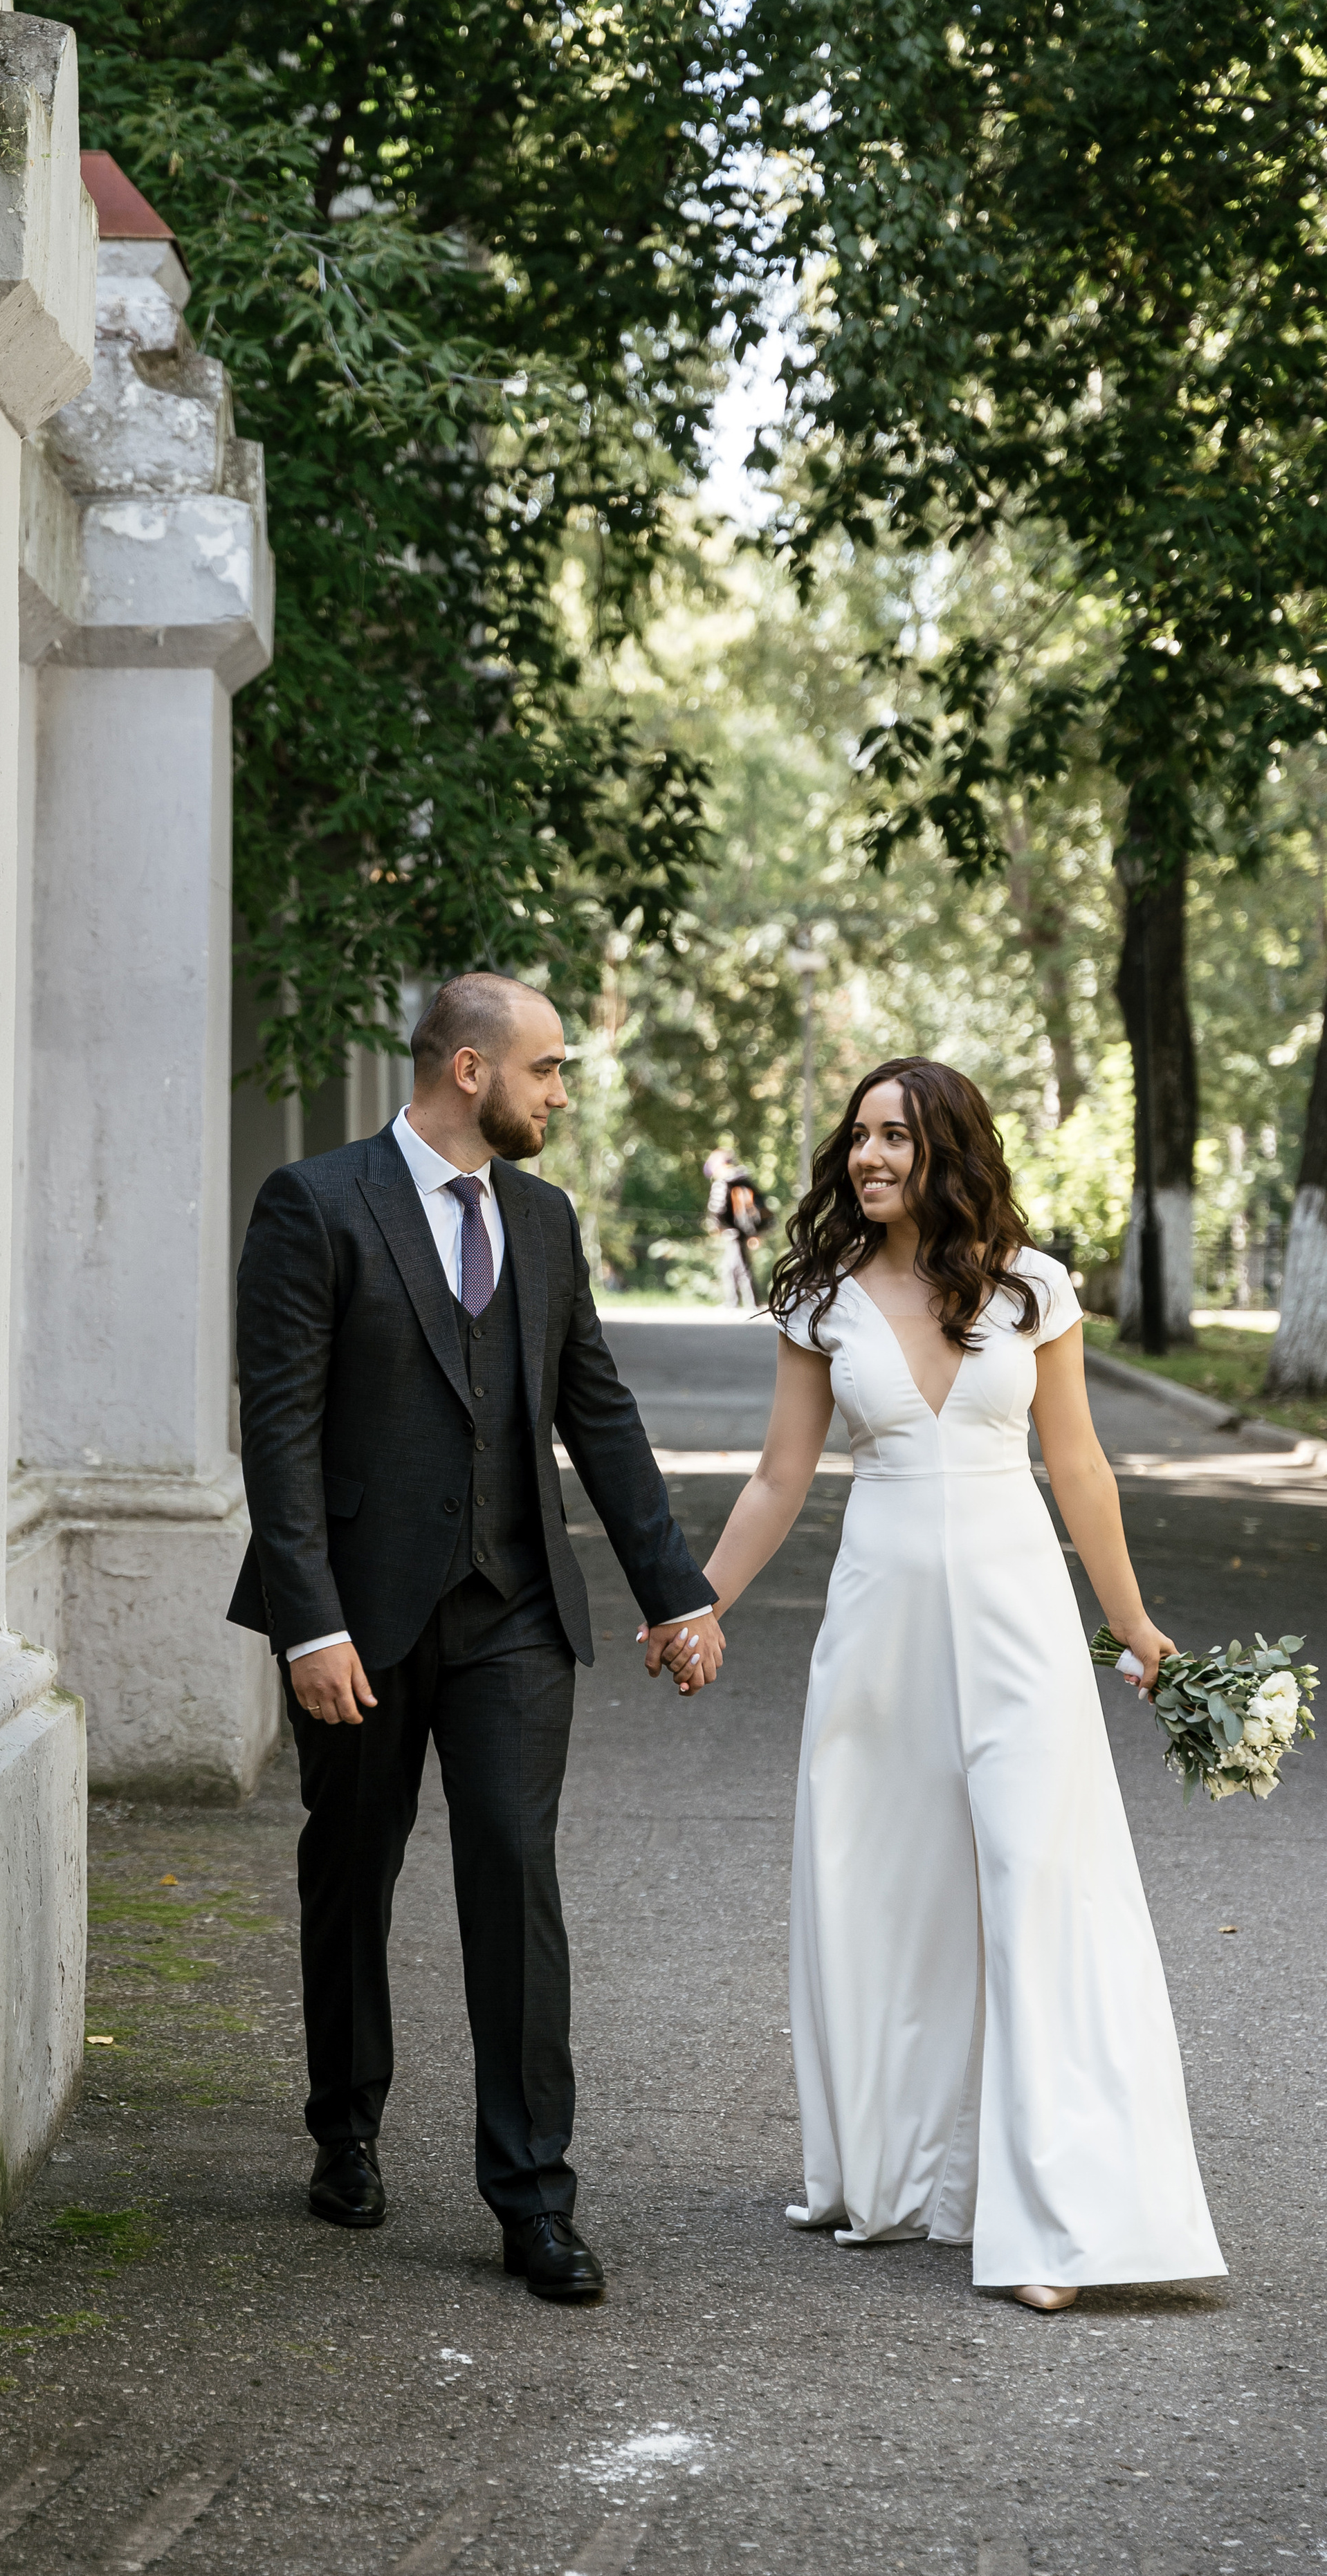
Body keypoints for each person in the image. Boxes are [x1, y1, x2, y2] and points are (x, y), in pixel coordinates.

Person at [656, 1057, 1223, 2310]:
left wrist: (1135, 1628)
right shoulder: (818, 1296)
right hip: (879, 1628)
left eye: (899, 1139)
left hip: (1019, 1615)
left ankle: (1060, 2226)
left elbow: (1078, 1469)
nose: (871, 1158)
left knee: (1042, 1889)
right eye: (859, 1137)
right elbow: (777, 1481)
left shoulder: (1034, 1291)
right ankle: (902, 2171)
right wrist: (698, 1602)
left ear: (949, 1149)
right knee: (885, 1893)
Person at [228, 973, 723, 2302]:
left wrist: (678, 1591)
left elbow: (599, 1417)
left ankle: (532, 2200)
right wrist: (307, 1621)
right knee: (353, 1872)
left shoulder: (547, 1223)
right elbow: (276, 1433)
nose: (561, 1093)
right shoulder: (316, 1206)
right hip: (360, 1626)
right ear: (467, 1070)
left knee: (514, 1881)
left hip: (512, 1612)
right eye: (548, 1069)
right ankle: (345, 2126)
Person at [704, 1149, 771, 1312]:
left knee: (739, 1267)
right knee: (733, 1266)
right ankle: (738, 1302)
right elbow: (761, 1204)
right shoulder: (745, 1181)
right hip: (746, 1229)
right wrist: (757, 1230)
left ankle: (747, 1304)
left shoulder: (723, 1182)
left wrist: (715, 1225)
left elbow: (718, 1207)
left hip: (732, 1230)